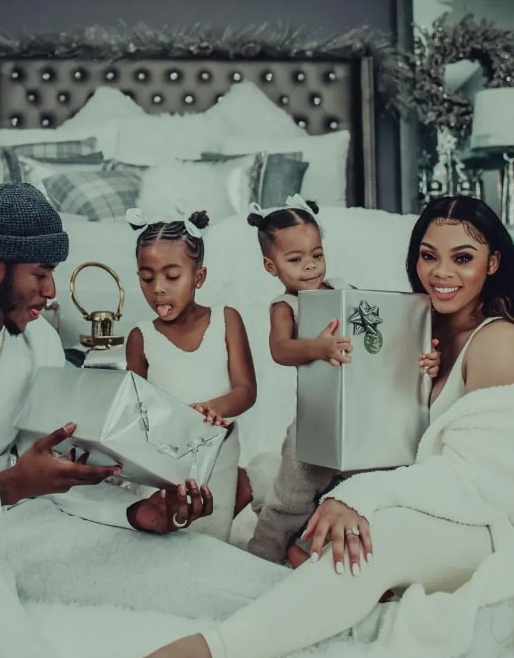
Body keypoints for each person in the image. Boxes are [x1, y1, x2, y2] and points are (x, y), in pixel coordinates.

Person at [0, 183, 286, 658]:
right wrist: (6, 487)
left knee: (215, 572)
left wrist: (133, 515)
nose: (51, 293)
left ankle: (361, 615)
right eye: (42, 273)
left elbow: (57, 477)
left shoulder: (38, 344)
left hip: (23, 524)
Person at [146, 194, 514, 658]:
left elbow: (476, 481)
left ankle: (218, 647)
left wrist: (358, 497)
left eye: (463, 258)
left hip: (484, 522)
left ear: (494, 261)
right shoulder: (417, 324)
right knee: (298, 474)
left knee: (379, 533)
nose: (441, 273)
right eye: (428, 255)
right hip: (416, 492)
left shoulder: (499, 342)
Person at [246, 197, 439, 566]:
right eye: (295, 259)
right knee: (291, 498)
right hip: (314, 423)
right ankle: (261, 557)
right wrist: (317, 347)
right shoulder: (286, 306)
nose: (309, 267)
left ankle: (306, 552)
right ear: (271, 266)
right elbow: (280, 350)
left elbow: (376, 332)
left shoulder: (342, 289)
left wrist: (416, 348)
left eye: (316, 255)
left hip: (358, 418)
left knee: (351, 491)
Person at [125, 207, 256, 541]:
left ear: (199, 276)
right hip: (162, 460)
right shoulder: (141, 337)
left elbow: (245, 389)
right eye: (146, 277)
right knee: (164, 540)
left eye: (172, 276)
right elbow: (134, 407)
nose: (158, 289)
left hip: (217, 455)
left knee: (211, 535)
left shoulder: (226, 320)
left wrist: (216, 408)